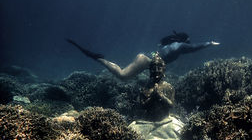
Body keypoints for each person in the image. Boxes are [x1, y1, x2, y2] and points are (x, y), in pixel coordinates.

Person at [66, 31, 220, 80]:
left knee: (127, 77)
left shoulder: (172, 44)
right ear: (184, 40)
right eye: (188, 41)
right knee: (123, 76)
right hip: (146, 60)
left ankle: (98, 57)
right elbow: (194, 47)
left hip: (146, 58)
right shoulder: (181, 45)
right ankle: (98, 58)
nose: (188, 43)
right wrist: (209, 43)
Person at [139, 52, 174, 121]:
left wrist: (160, 96)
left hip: (166, 120)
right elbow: (143, 106)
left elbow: (171, 105)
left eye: (159, 68)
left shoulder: (169, 87)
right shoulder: (145, 88)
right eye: (153, 68)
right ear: (150, 71)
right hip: (148, 121)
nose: (156, 71)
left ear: (164, 70)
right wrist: (153, 97)